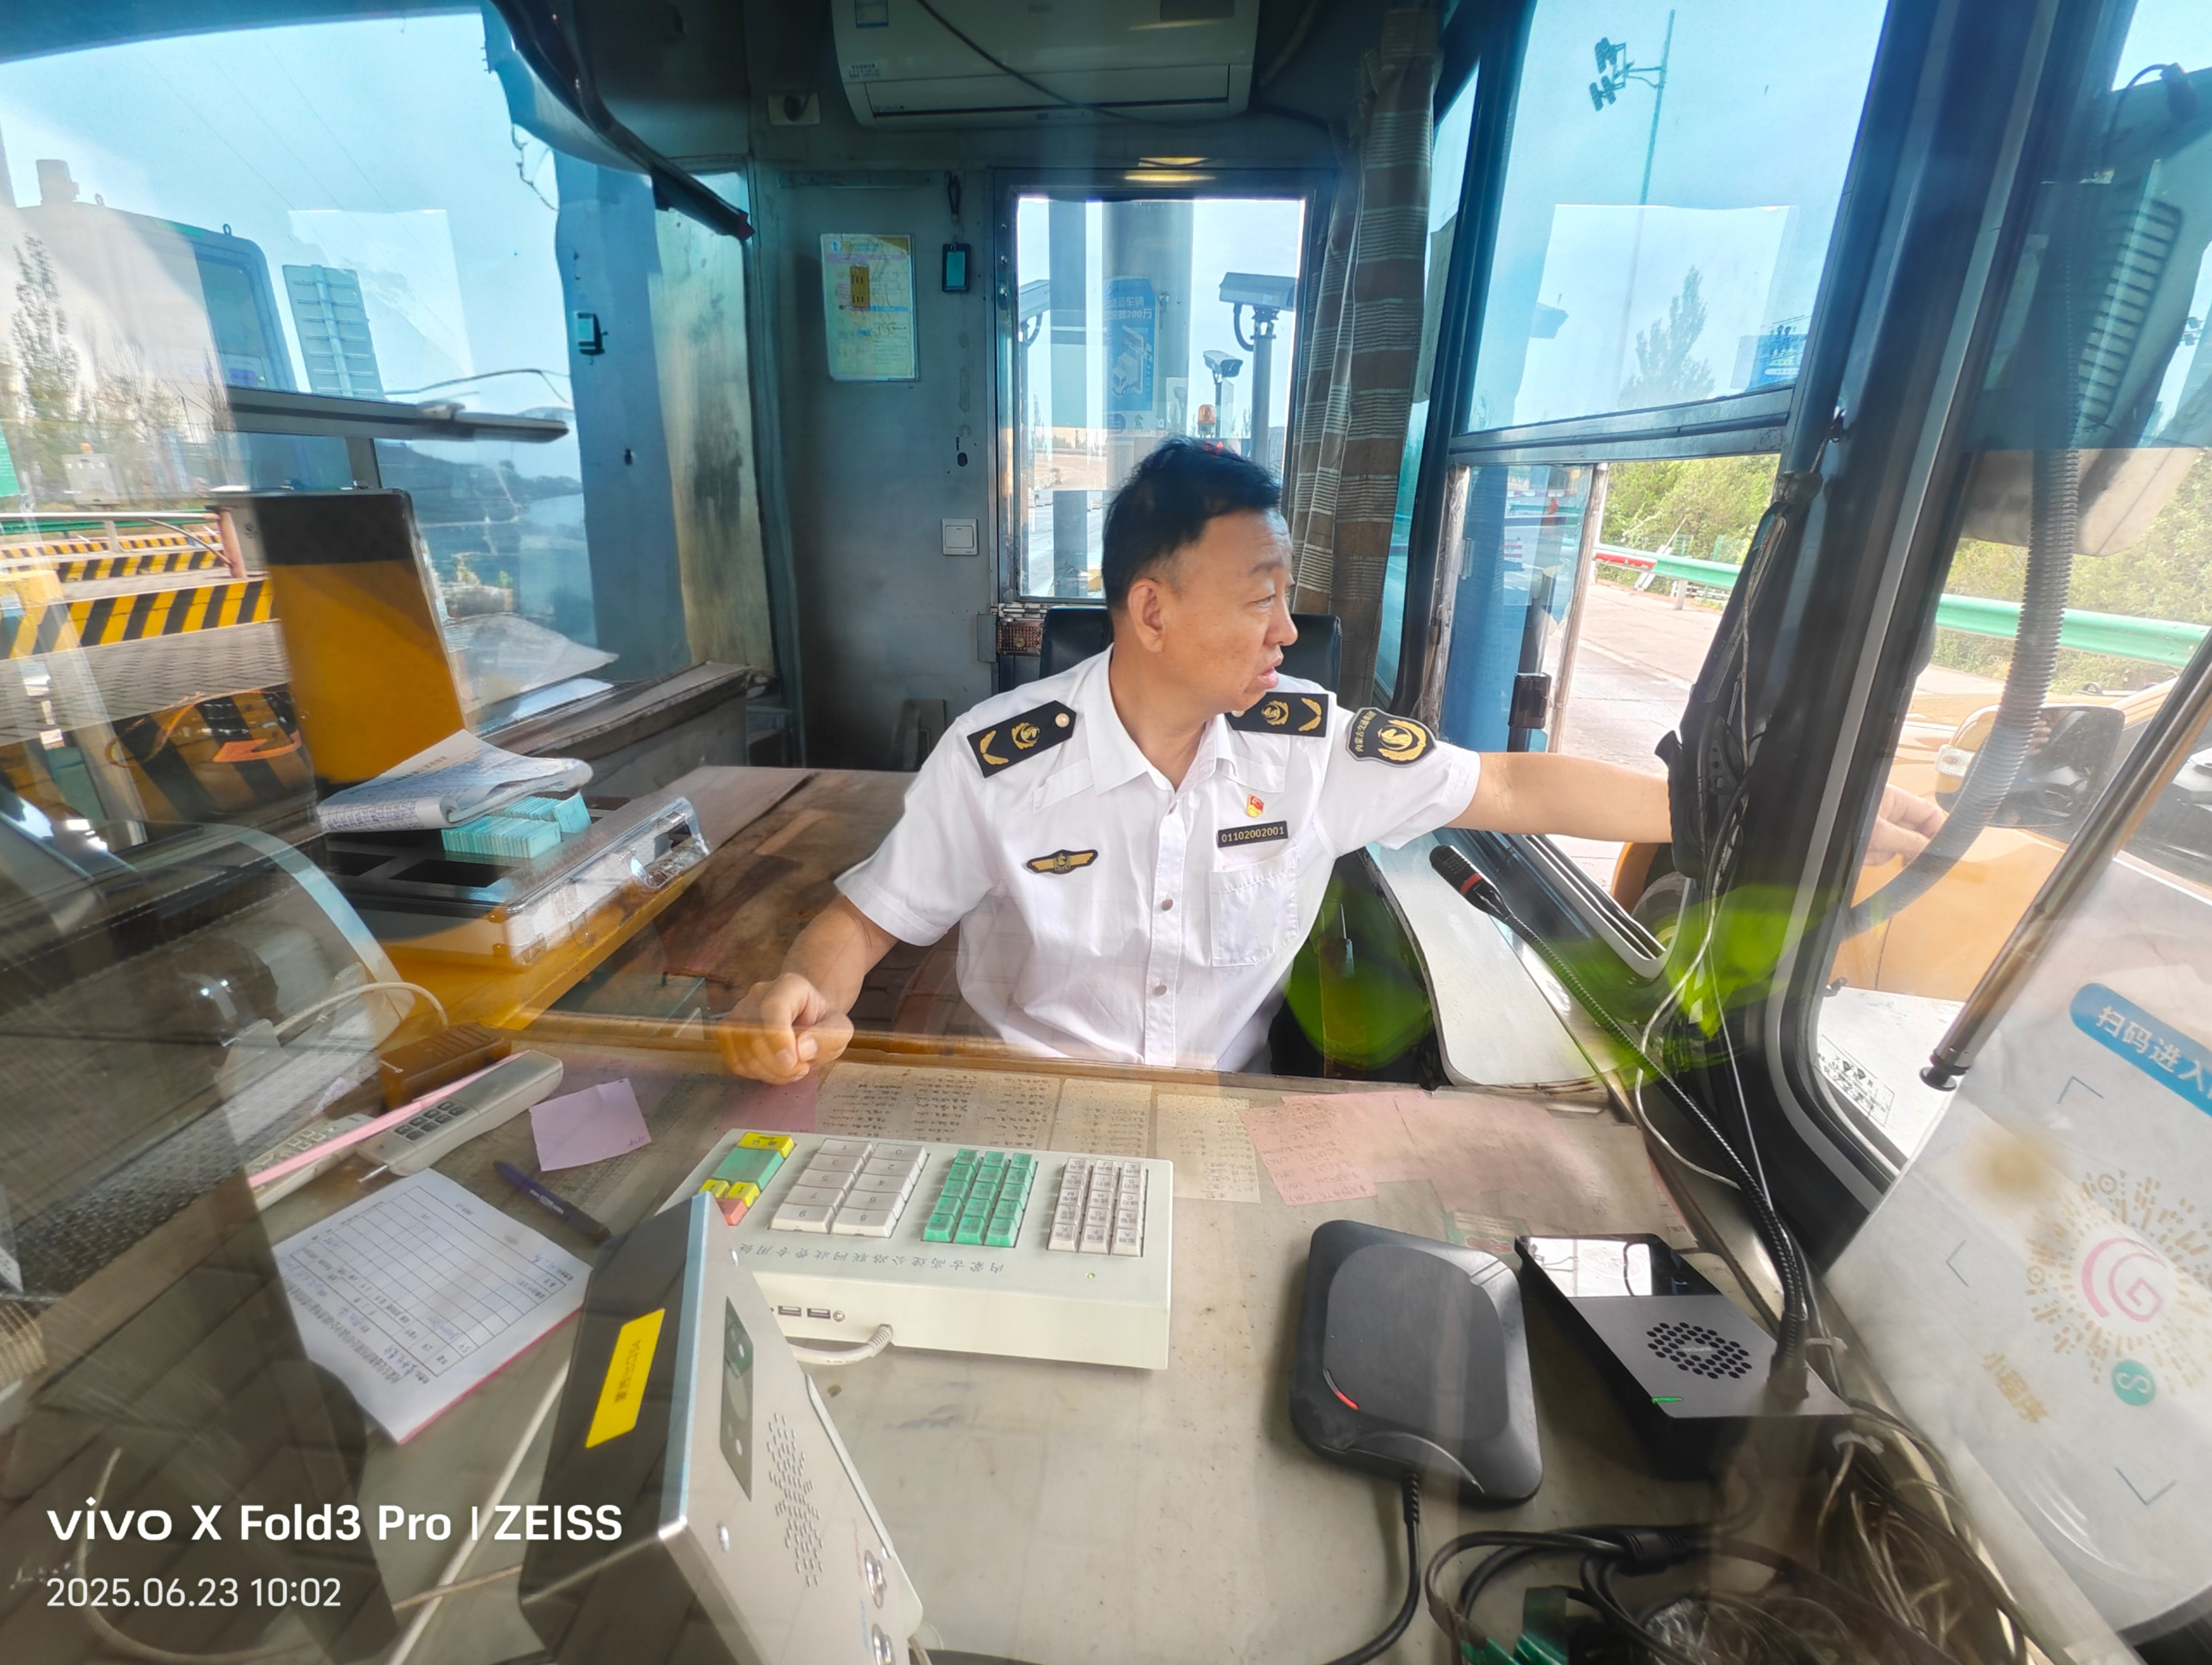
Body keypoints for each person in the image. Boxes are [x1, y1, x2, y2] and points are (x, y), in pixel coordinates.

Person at [719, 439, 1942, 1083]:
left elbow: (1513, 786)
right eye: (1259, 598)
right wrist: (803, 989)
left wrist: (1765, 806)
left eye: (1287, 595)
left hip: (1226, 1111)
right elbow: (866, 922)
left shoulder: (1310, 749)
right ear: (1150, 613)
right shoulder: (996, 761)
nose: (1287, 630)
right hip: (1034, 1106)